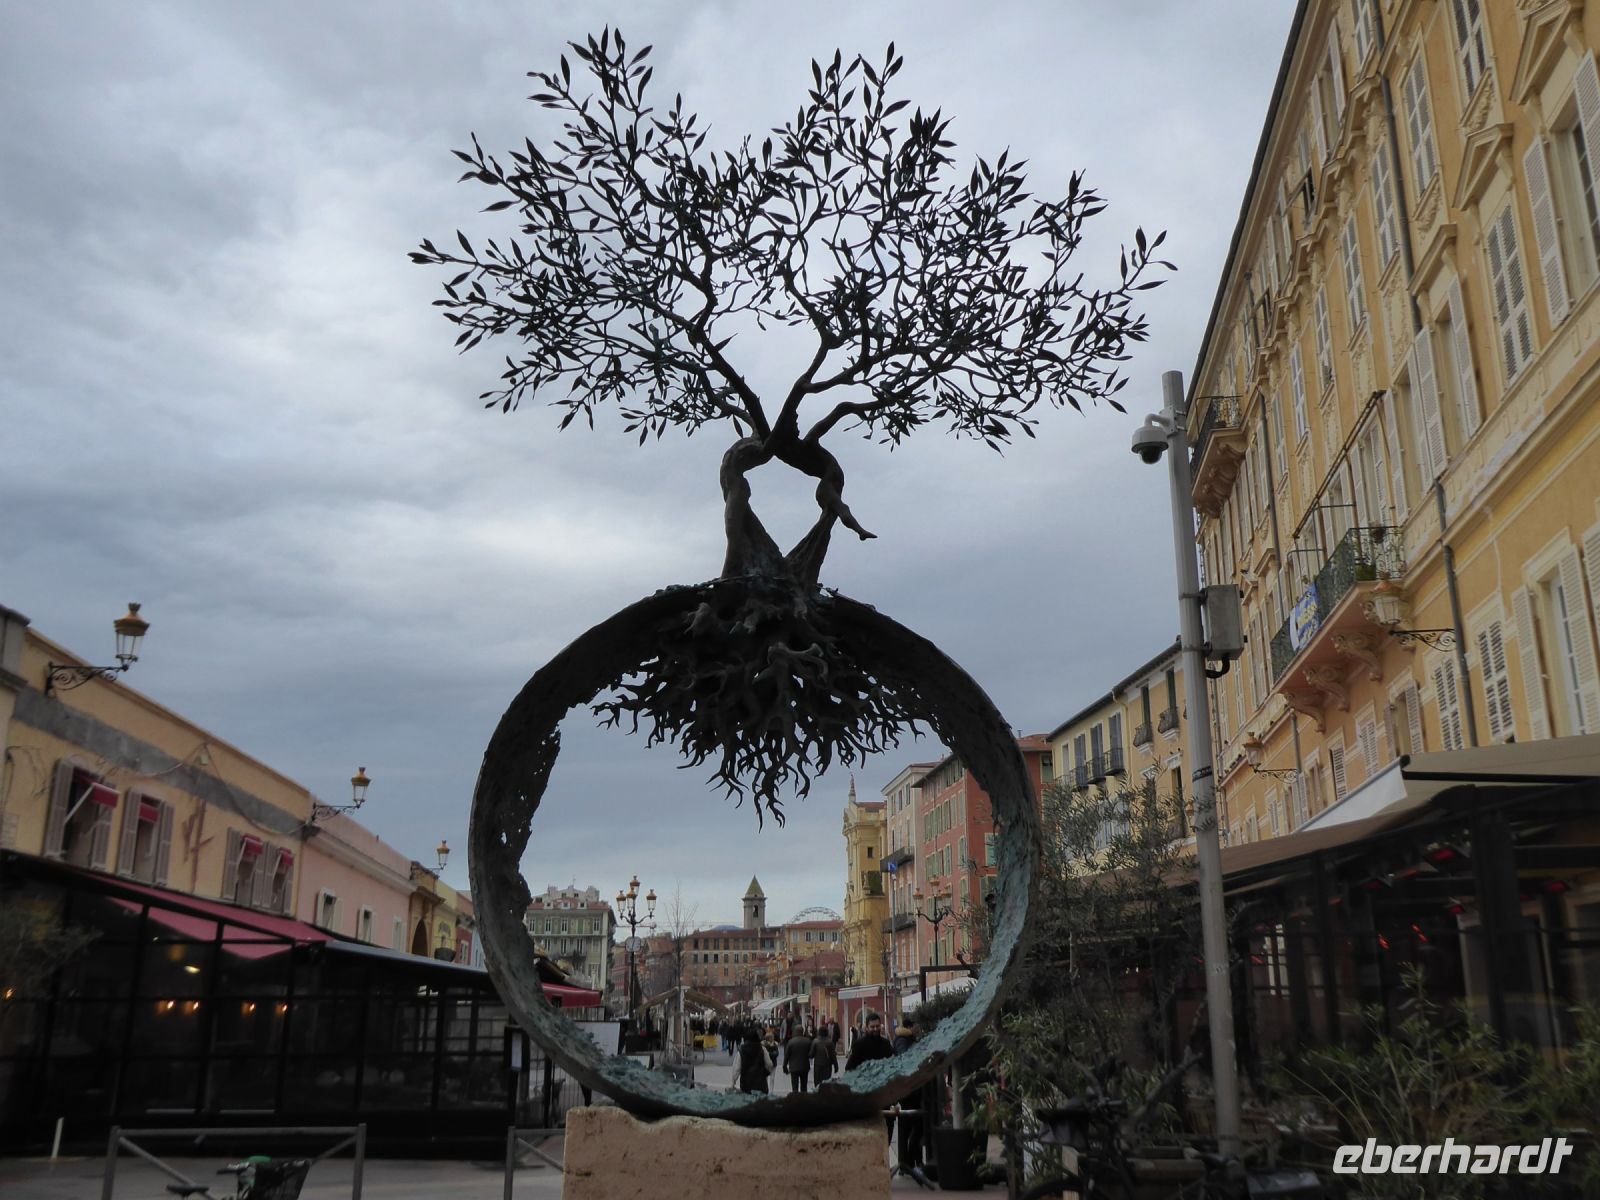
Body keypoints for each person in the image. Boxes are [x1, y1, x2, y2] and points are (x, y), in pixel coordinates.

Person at [736, 1027, 772, 1093]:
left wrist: (733, 1082)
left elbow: (737, 1068)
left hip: (746, 1084)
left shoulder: (741, 1050)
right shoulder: (762, 1049)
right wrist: (767, 1072)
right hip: (761, 1083)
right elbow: (769, 1064)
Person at [784, 1025, 814, 1093]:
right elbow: (811, 1054)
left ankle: (795, 1099)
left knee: (794, 1087)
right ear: (802, 1032)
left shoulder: (791, 1042)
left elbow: (786, 1056)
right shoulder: (807, 1041)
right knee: (804, 1086)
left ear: (795, 1032)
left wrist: (784, 1067)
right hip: (804, 1067)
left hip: (794, 1068)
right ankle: (803, 1100)